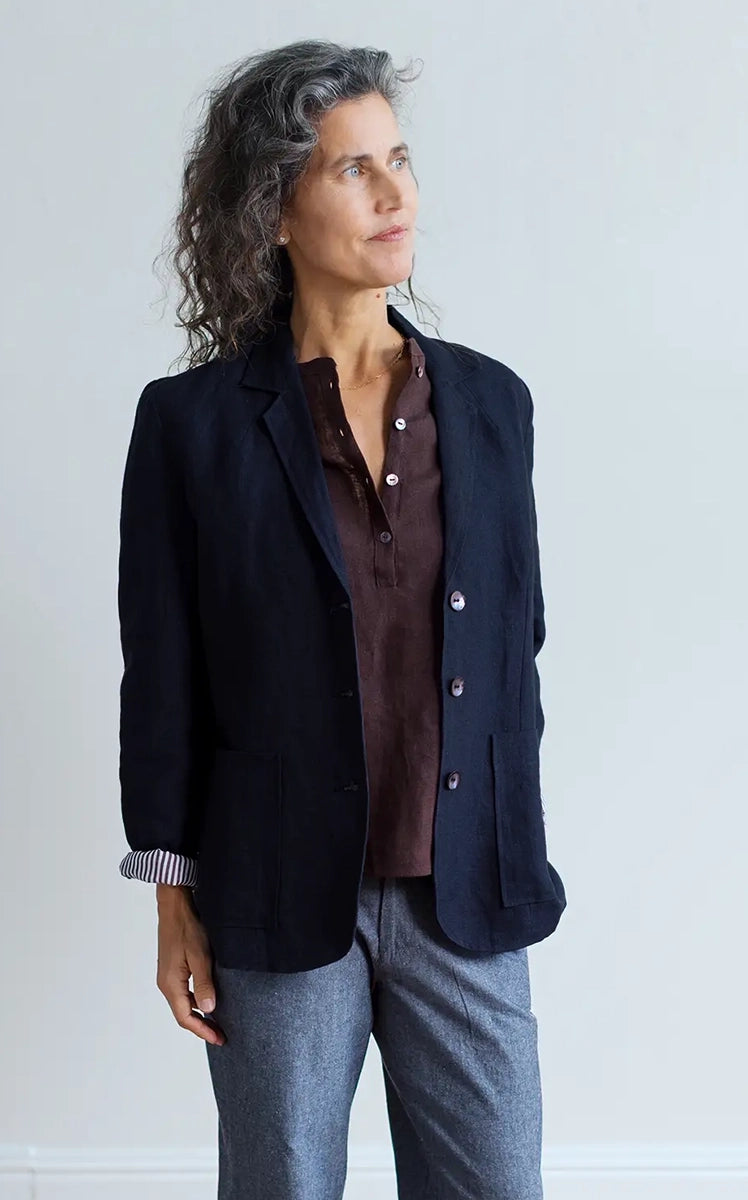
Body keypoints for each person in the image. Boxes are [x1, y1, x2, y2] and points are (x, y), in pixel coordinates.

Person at [117, 38, 567, 1200]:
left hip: (463, 888)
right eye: (352, 168)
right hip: (272, 888)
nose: (392, 192)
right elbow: (163, 675)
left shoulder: (491, 403)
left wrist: (505, 824)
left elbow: (515, 644)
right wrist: (173, 901)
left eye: (399, 160)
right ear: (272, 209)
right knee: (283, 1184)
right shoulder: (192, 425)